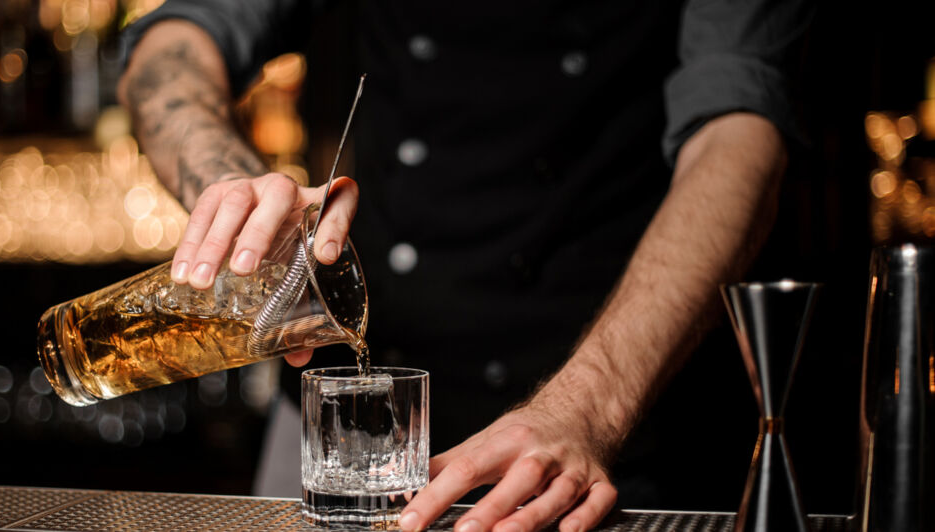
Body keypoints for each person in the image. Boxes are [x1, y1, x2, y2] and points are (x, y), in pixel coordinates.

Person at [117, 1, 812, 530]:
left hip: (605, 417)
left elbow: (741, 128)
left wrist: (588, 408)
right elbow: (172, 46)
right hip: (345, 427)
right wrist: (235, 187)